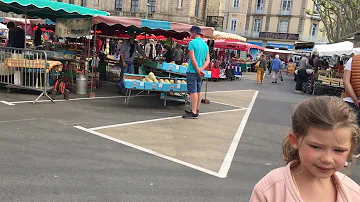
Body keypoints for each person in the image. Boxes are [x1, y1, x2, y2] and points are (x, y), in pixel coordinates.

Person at [250, 96, 360, 202]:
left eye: (339, 150)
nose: (327, 159)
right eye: (316, 147)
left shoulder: (354, 194)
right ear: (295, 140)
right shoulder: (270, 190)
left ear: (351, 148)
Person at [182, 26, 210, 119]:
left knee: (192, 91)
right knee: (198, 90)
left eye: (191, 32)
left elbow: (192, 58)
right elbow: (207, 60)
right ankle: (196, 109)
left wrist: (197, 70)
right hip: (200, 72)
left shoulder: (192, 43)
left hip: (192, 71)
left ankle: (193, 112)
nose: (190, 34)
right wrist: (201, 69)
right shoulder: (205, 45)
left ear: (194, 33)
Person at [343, 55, 360, 158]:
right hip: (352, 99)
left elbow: (346, 81)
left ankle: (347, 151)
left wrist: (355, 99)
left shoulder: (353, 59)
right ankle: (355, 151)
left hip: (350, 100)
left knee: (348, 126)